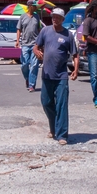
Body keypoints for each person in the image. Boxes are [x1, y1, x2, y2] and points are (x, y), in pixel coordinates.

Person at [33, 8, 78, 145]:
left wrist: (75, 69)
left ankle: (62, 135)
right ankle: (53, 128)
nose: (54, 19)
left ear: (63, 19)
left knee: (61, 105)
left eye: (58, 17)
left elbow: (75, 55)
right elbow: (36, 46)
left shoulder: (68, 35)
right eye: (53, 16)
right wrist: (36, 52)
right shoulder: (45, 31)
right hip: (47, 74)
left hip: (62, 76)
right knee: (46, 103)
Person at [17, 0, 43, 92]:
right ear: (30, 6)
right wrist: (17, 41)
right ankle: (27, 78)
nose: (36, 7)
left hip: (35, 44)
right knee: (24, 65)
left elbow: (39, 29)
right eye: (34, 6)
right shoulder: (23, 17)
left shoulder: (37, 17)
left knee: (34, 65)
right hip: (24, 44)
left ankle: (32, 85)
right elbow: (19, 29)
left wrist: (41, 42)